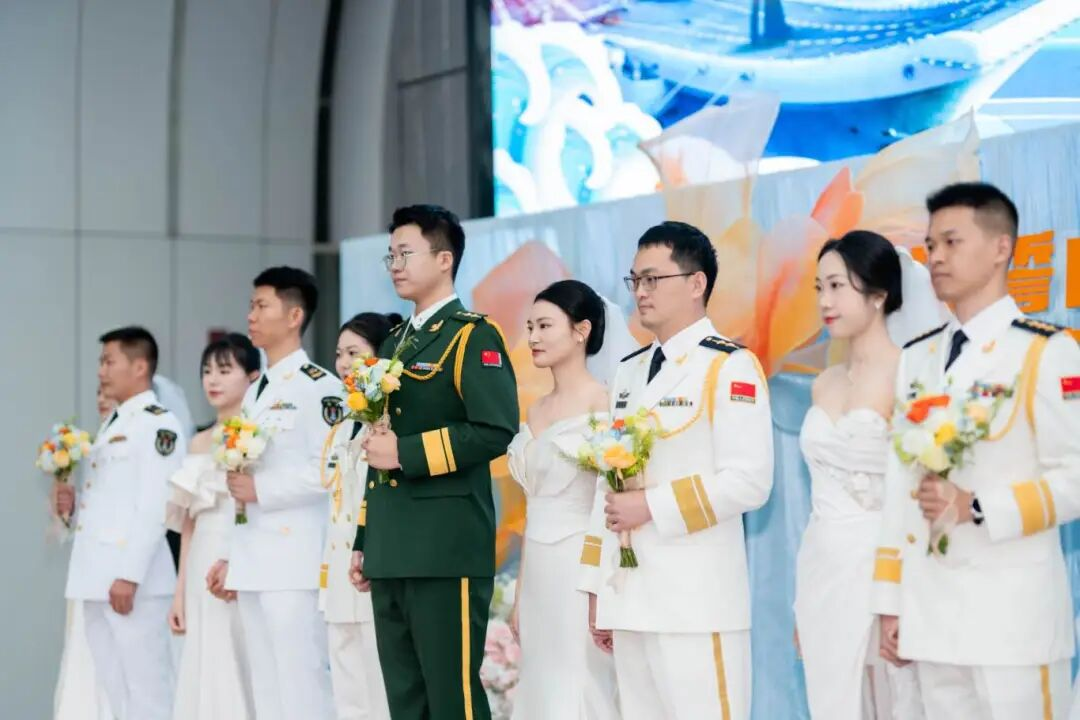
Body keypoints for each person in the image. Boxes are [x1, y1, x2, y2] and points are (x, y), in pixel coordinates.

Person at [873, 182, 1080, 719]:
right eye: (930, 245)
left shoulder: (1044, 350)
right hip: (932, 616)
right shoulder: (917, 358)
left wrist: (980, 507)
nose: (936, 257)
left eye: (951, 241)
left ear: (1000, 248)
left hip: (1012, 621)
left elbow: (1075, 475)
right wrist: (891, 602)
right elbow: (899, 486)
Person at [578, 221, 774, 720]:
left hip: (695, 603)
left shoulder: (728, 366)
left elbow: (749, 481)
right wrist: (597, 588)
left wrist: (651, 506)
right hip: (630, 599)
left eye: (652, 279)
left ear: (696, 283)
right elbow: (608, 484)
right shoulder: (628, 371)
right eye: (635, 280)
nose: (640, 292)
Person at [349, 204, 520, 720]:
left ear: (445, 259)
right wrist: (365, 538)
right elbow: (378, 440)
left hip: (445, 546)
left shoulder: (471, 335)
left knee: (452, 700)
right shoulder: (393, 342)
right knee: (406, 700)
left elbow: (495, 430)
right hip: (392, 546)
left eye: (406, 253)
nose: (395, 265)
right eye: (390, 255)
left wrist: (407, 453)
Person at [795, 231, 941, 719]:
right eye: (819, 288)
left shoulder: (911, 376)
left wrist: (901, 595)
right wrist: (802, 602)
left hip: (884, 566)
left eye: (837, 286)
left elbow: (921, 491)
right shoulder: (824, 383)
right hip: (823, 570)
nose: (825, 301)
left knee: (895, 702)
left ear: (878, 294)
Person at [206, 267, 340, 720]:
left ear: (294, 315)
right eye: (251, 305)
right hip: (253, 557)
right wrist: (229, 554)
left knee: (300, 685)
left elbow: (329, 468)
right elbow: (241, 479)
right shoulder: (254, 394)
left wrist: (261, 489)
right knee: (264, 687)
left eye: (262, 305)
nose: (251, 315)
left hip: (293, 561)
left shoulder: (319, 387)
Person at [53, 326, 185, 719]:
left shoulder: (157, 424)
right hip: (97, 578)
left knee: (147, 694)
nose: (101, 371)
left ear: (139, 366)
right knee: (115, 691)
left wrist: (129, 575)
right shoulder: (115, 422)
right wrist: (73, 506)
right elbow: (109, 502)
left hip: (133, 583)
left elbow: (156, 505)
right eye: (101, 362)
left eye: (109, 361)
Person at [506, 279, 620, 719]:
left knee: (579, 684)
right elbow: (531, 511)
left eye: (545, 326)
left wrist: (600, 589)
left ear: (581, 331)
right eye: (530, 327)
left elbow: (607, 506)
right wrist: (520, 592)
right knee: (540, 685)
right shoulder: (535, 409)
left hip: (579, 567)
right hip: (538, 570)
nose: (533, 337)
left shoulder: (603, 403)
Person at [167, 333, 259, 719]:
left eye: (224, 370)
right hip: (200, 560)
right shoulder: (198, 443)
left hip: (240, 557)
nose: (212, 380)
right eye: (207, 371)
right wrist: (179, 591)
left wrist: (238, 560)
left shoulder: (257, 436)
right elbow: (188, 524)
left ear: (252, 377)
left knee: (238, 659)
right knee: (202, 661)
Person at [320, 312, 397, 720]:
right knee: (347, 694)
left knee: (380, 690)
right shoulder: (345, 424)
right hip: (339, 578)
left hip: (373, 573)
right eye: (339, 354)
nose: (344, 363)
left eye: (354, 352)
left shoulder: (388, 423)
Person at [53, 387, 116, 720]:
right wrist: (70, 508)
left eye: (109, 391)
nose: (102, 399)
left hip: (117, 572)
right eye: (98, 393)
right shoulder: (91, 447)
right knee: (82, 655)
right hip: (87, 569)